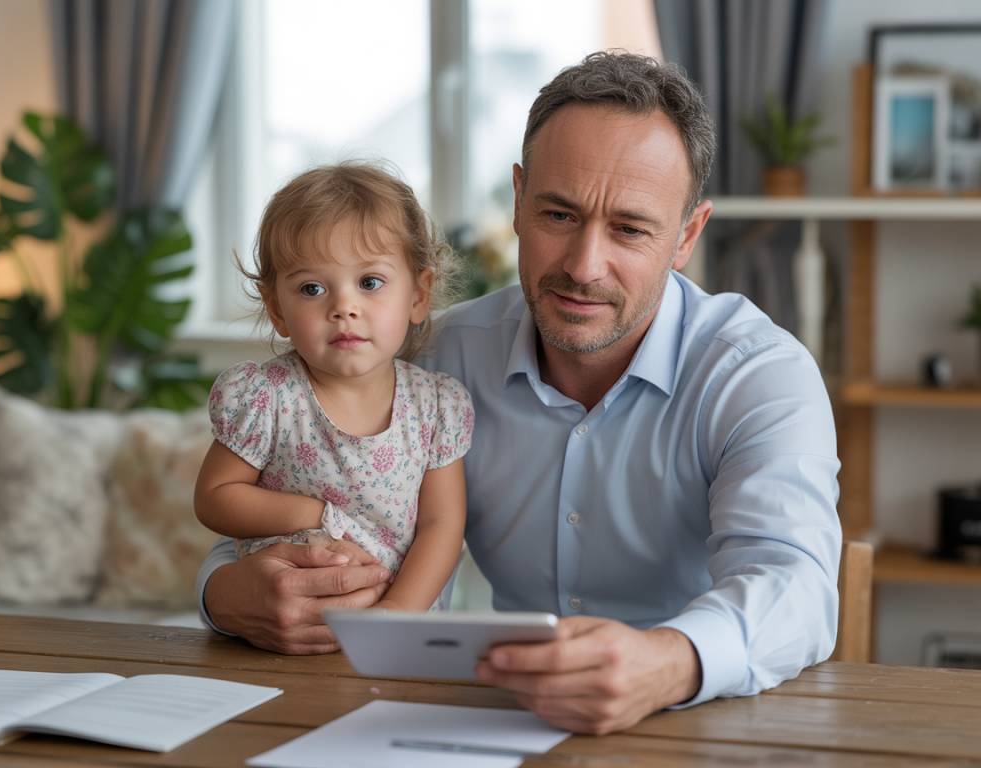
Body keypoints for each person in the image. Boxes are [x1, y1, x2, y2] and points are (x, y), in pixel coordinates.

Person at [196, 52, 841, 734]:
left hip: (700, 721)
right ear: (517, 201)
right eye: (559, 215)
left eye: (629, 228)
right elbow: (289, 499)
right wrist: (226, 592)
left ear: (686, 236)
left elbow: (796, 589)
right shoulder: (435, 362)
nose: (584, 266)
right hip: (493, 719)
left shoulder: (757, 375)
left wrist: (669, 660)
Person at [194, 163, 474, 614]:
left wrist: (395, 614)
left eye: (370, 282)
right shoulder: (267, 397)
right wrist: (310, 514)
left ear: (419, 294)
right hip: (283, 624)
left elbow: (443, 525)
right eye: (311, 288)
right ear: (277, 309)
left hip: (393, 633)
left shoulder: (437, 407)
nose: (344, 307)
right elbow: (214, 498)